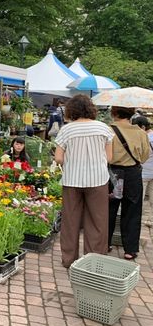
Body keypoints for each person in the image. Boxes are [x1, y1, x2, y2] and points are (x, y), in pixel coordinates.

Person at [54, 94, 114, 268]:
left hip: (72, 179)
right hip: (98, 180)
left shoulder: (67, 129)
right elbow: (109, 158)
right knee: (97, 221)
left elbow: (58, 158)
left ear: (71, 110)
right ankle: (93, 261)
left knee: (70, 221)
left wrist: (73, 162)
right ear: (91, 108)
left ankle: (69, 260)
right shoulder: (104, 128)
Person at [107, 107, 151, 260]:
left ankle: (105, 243)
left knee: (109, 208)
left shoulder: (109, 130)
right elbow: (145, 155)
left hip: (113, 172)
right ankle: (130, 249)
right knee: (132, 210)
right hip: (133, 172)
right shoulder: (140, 132)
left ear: (114, 113)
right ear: (131, 114)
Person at [132, 116, 153, 226]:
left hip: (144, 172)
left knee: (139, 198)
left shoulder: (143, 137)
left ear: (143, 127)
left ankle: (137, 220)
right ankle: (151, 220)